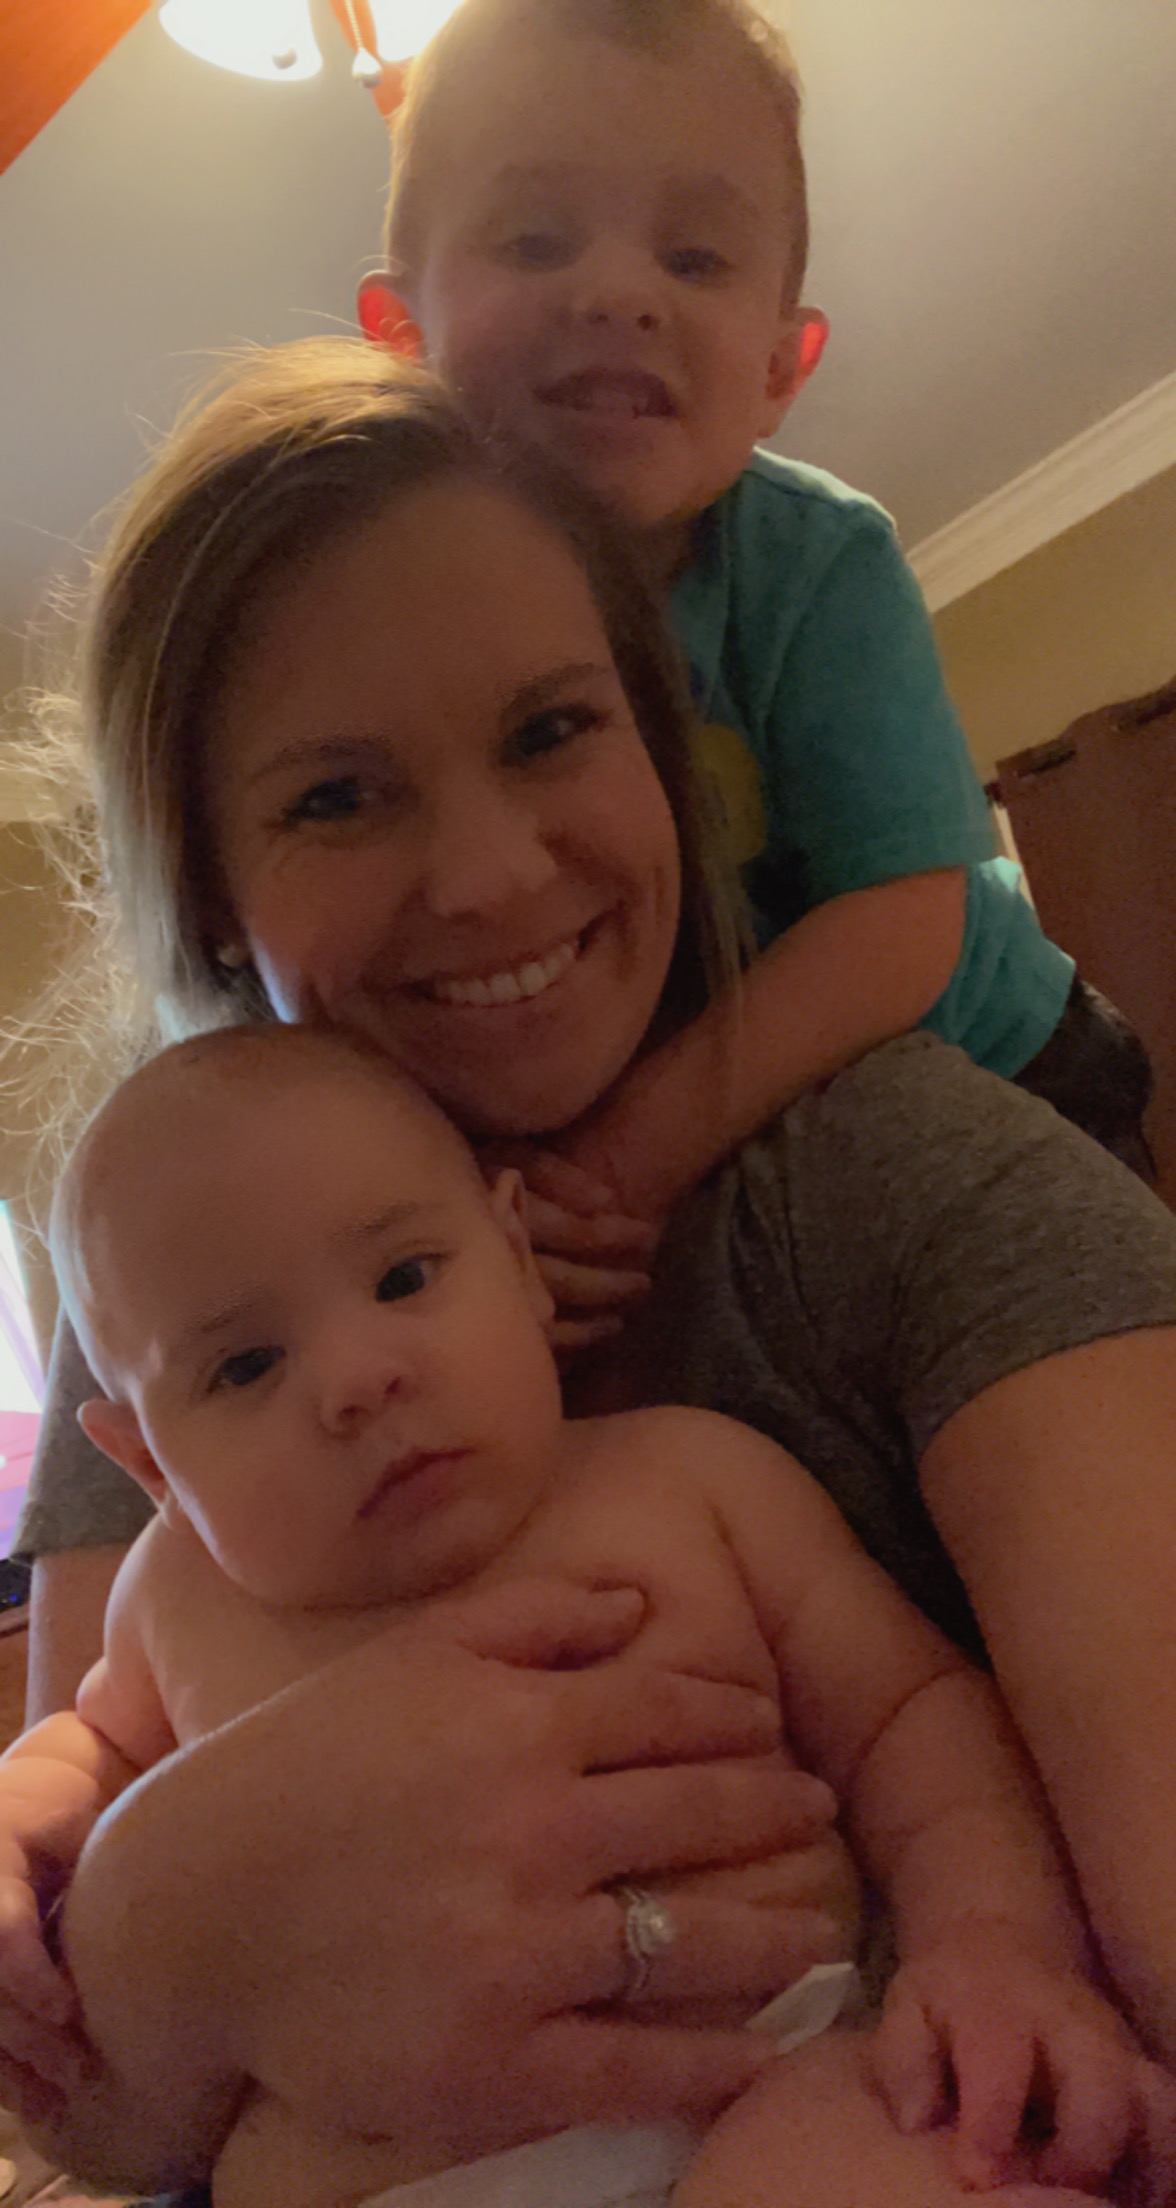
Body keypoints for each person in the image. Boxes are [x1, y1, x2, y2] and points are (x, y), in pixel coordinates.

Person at [11, 345, 1176, 2199]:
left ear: (665, 750)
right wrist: (159, 1891)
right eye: (337, 795)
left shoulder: (892, 1179)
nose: (488, 875)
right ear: (213, 892)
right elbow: (100, 2103)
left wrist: (985, 1948)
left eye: (552, 729)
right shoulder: (165, 1310)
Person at [6, 1022, 1174, 2208]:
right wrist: (14, 1817)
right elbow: (92, 1759)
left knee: (912, 2155)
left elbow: (910, 1720)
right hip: (379, 2178)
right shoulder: (172, 1602)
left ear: (517, 1258)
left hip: (759, 2092)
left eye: (405, 1278)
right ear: (145, 1461)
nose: (358, 1378)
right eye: (246, 1366)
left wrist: (991, 1943)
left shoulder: (690, 1482)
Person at [355, 0, 1154, 1247]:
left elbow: (902, 922)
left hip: (1014, 1062)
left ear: (780, 371)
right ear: (403, 340)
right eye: (537, 238)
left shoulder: (815, 558)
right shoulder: (405, 618)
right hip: (757, 1111)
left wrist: (620, 1161)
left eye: (693, 260)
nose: (617, 291)